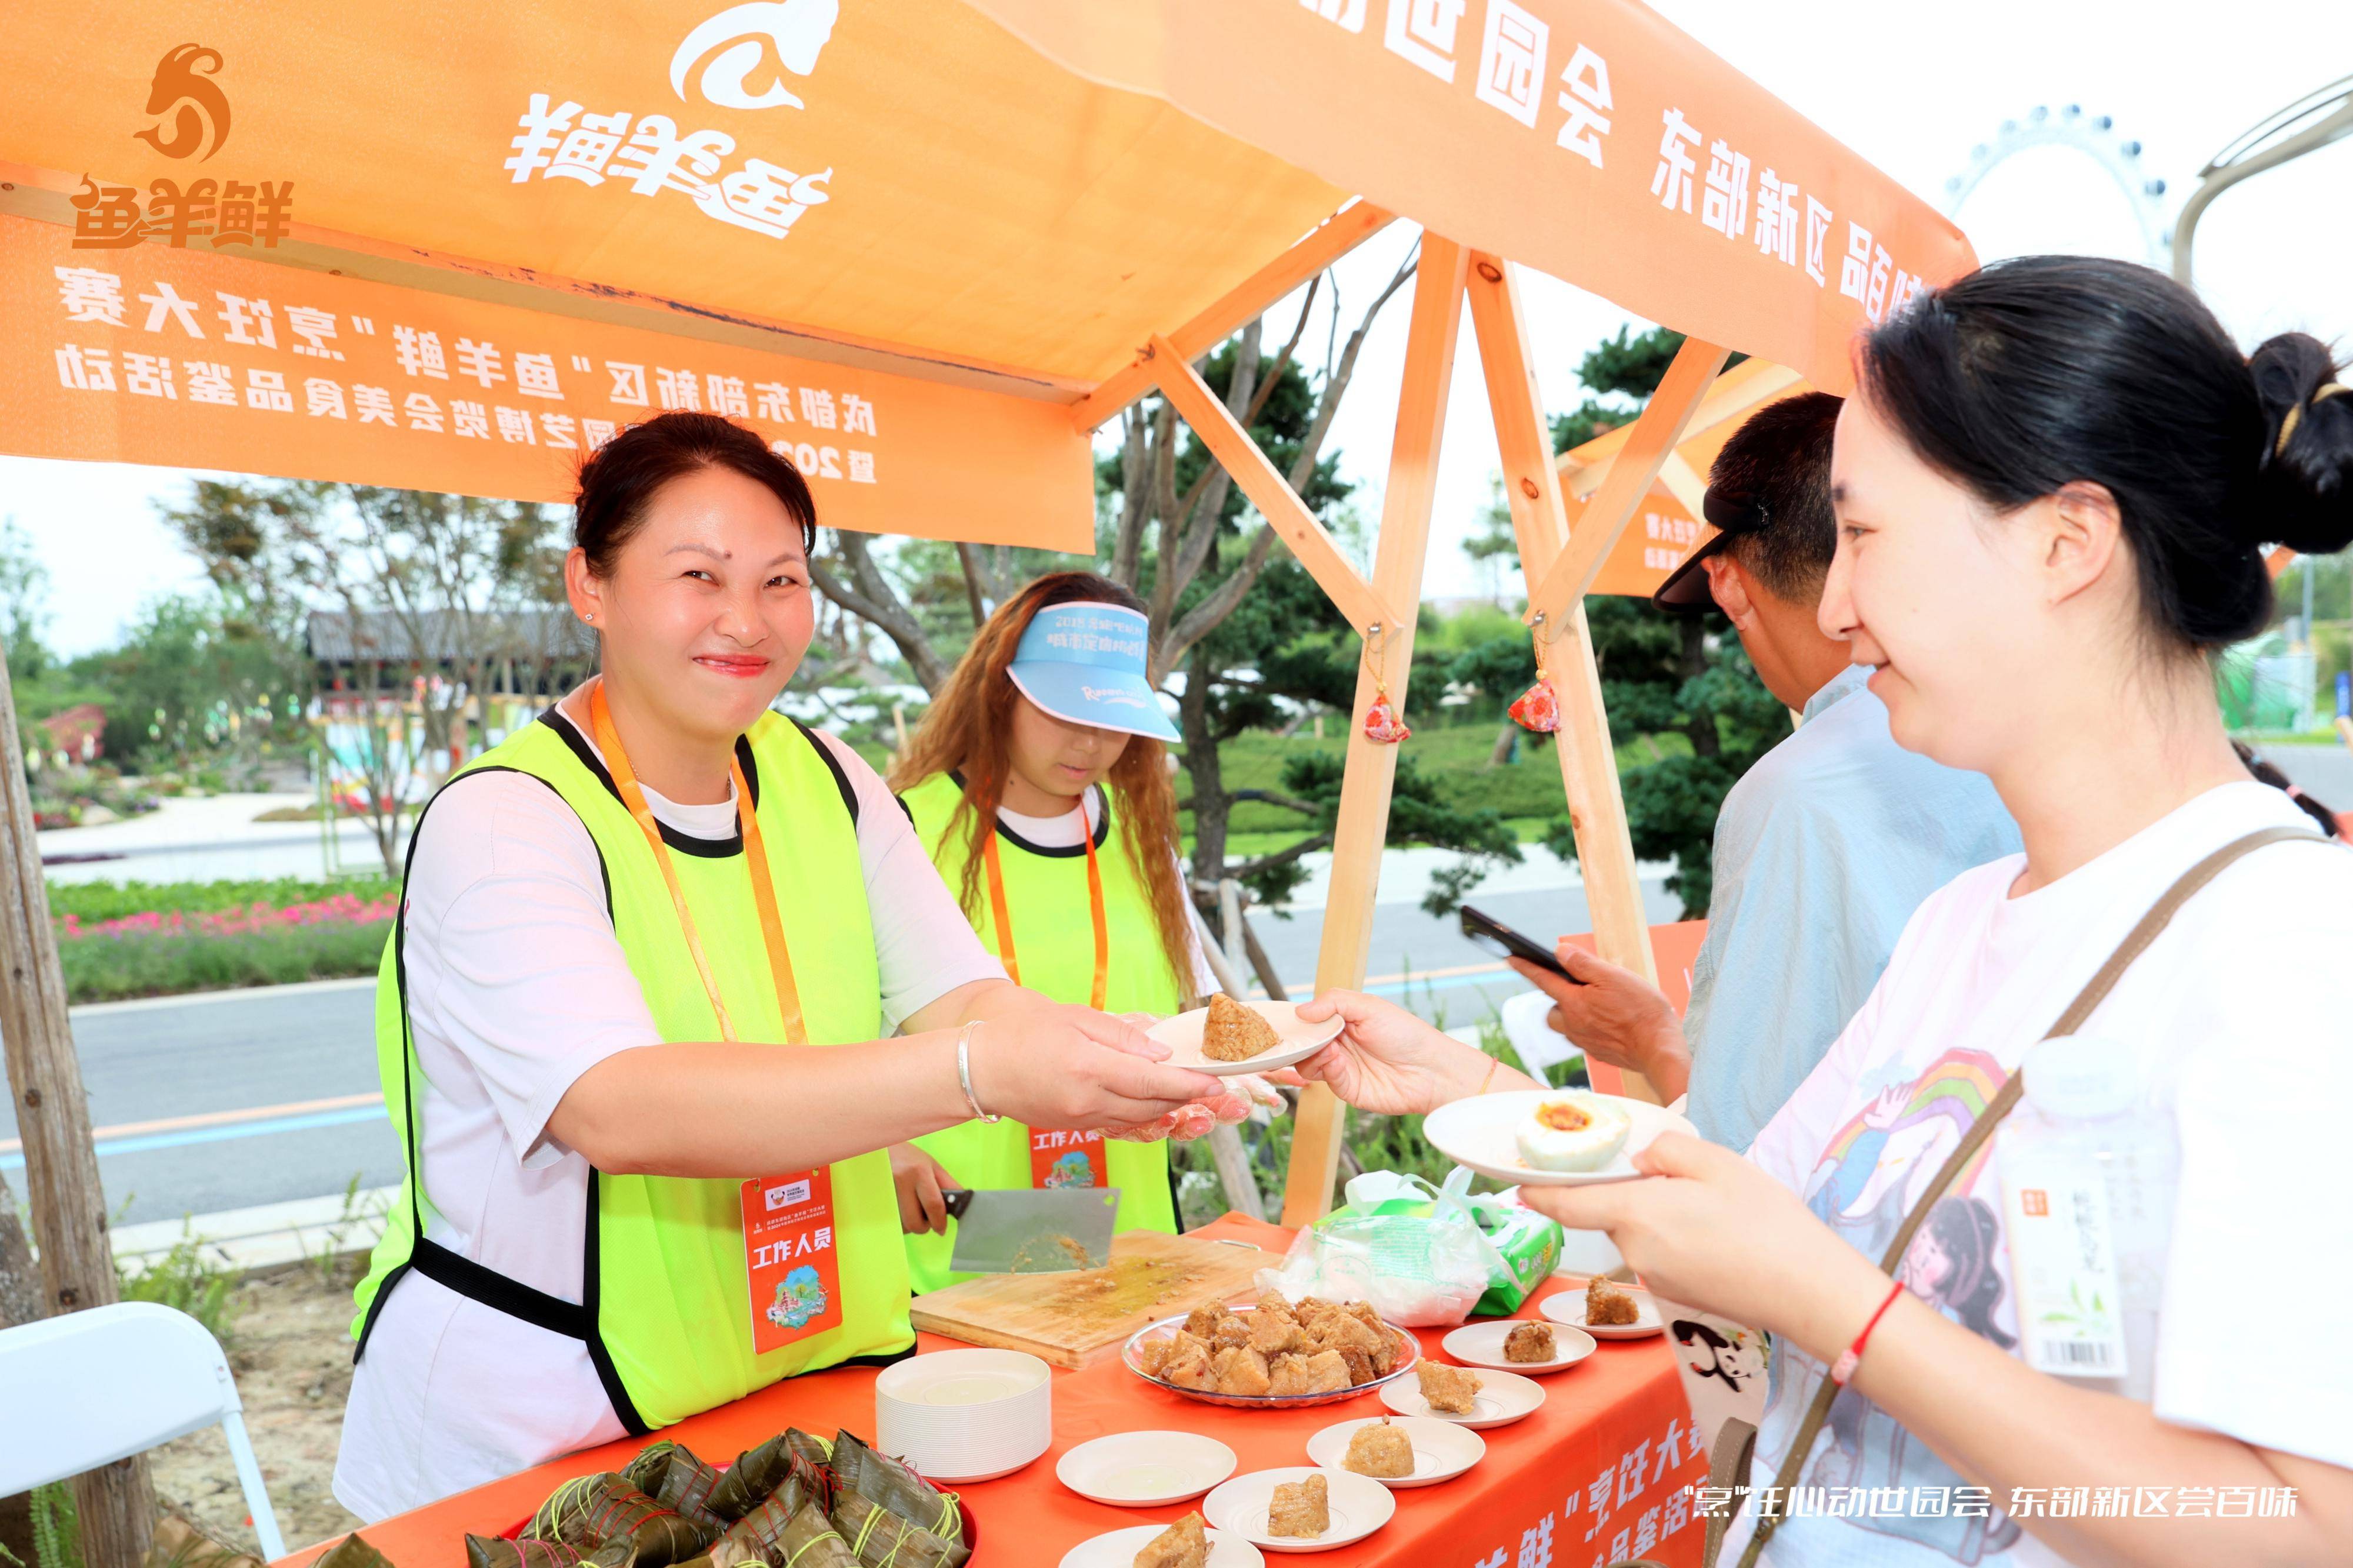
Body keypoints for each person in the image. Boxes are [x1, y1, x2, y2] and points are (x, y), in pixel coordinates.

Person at [1293, 258, 2353, 1564]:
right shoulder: (1967, 920)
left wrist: (1846, 1318)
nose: (1835, 605)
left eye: (1862, 533)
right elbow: (1745, 1214)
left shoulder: (2290, 950)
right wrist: (1477, 1095)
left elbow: (2303, 1532)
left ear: (2066, 540)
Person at [334, 412, 1221, 1517]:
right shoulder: (506, 820)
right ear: (591, 585)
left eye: (782, 579)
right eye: (698, 575)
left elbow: (964, 996)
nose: (744, 621)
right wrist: (980, 1073)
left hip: (776, 1392)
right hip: (541, 1426)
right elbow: (616, 1107)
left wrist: (1120, 1063)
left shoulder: (829, 780)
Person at [1513, 392, 2017, 1152]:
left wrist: (1655, 1043)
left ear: (1730, 585)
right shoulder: (2022, 726)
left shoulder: (1800, 793)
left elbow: (1745, 1152)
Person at [886, 572, 1239, 1292]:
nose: (1090, 742)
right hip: (964, 1228)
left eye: (1111, 719)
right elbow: (824, 1037)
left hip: (1131, 1228)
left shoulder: (1139, 837)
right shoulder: (901, 830)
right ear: (1001, 694)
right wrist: (879, 1148)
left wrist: (1255, 1053)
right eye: (1062, 713)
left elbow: (1193, 1012)